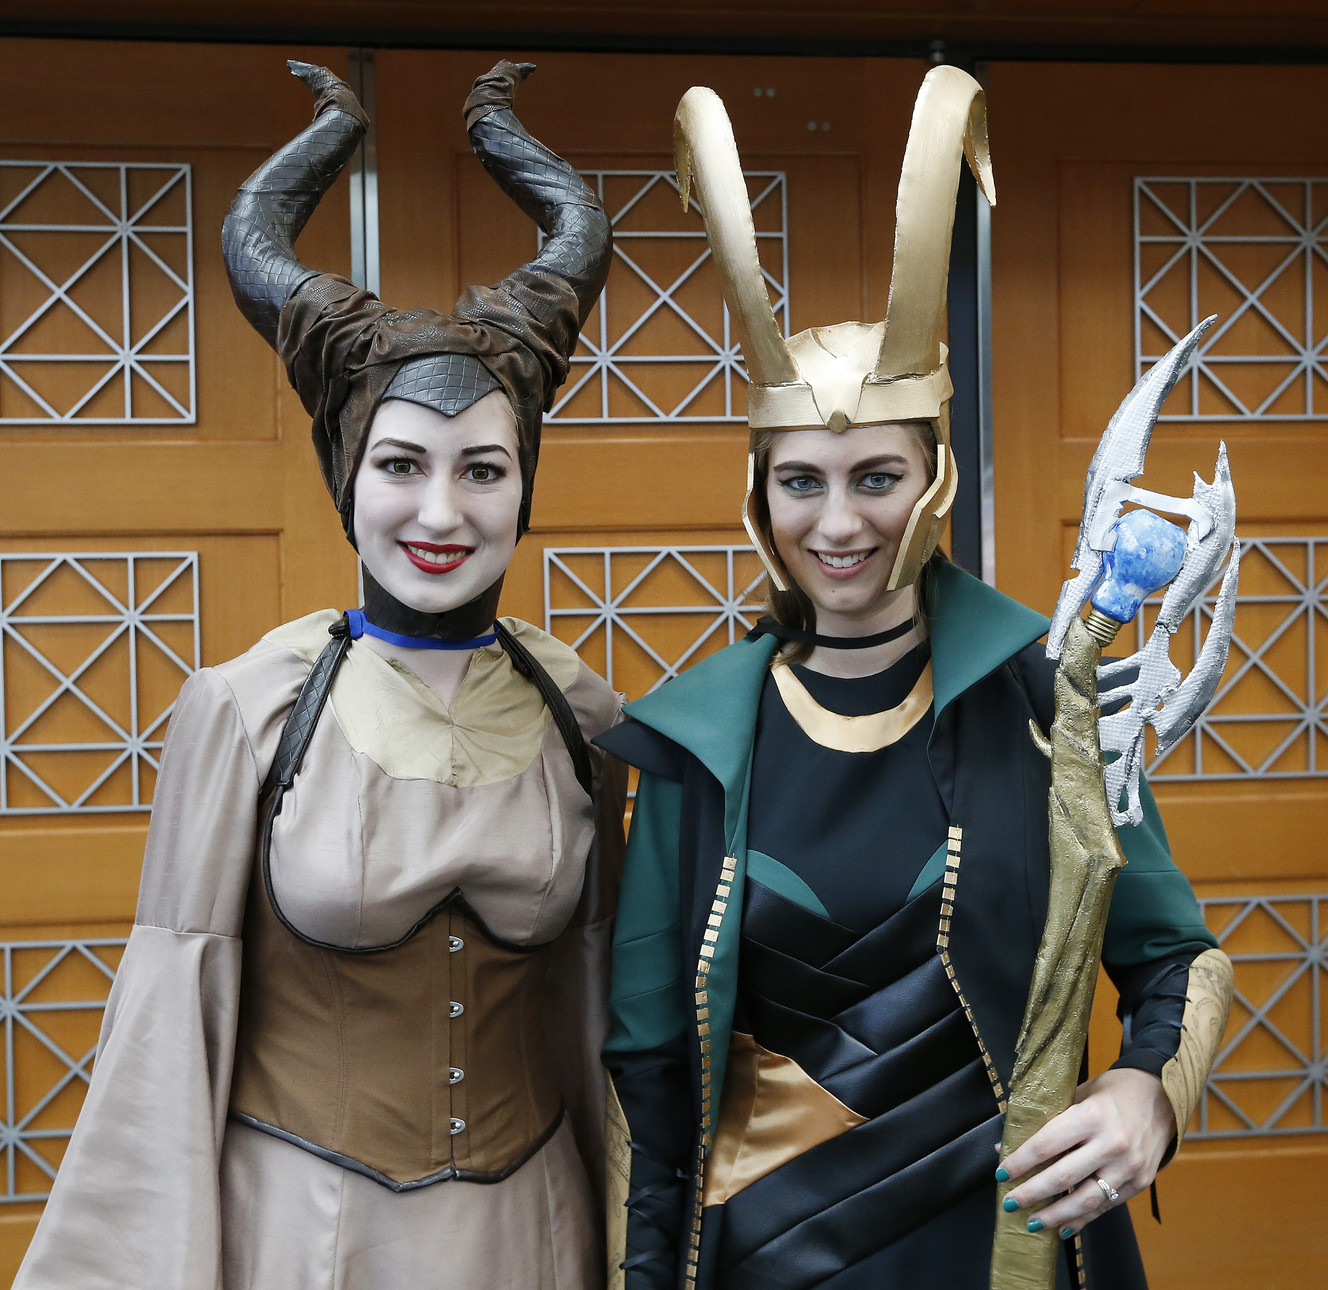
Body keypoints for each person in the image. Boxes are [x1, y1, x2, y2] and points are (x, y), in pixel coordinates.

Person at [597, 70, 1232, 1290]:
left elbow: (1178, 960)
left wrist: (1149, 1093)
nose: (837, 523)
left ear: (933, 480)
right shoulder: (689, 747)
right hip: (762, 1261)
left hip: (1014, 1249)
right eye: (801, 483)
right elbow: (648, 1080)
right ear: (759, 497)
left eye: (875, 478)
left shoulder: (1049, 694)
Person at [14, 59, 623, 1290]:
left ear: (523, 486)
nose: (439, 511)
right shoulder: (249, 708)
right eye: (400, 466)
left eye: (482, 471)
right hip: (308, 1234)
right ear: (348, 477)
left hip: (533, 1235)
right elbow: (169, 1018)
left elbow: (606, 1002)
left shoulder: (584, 712)